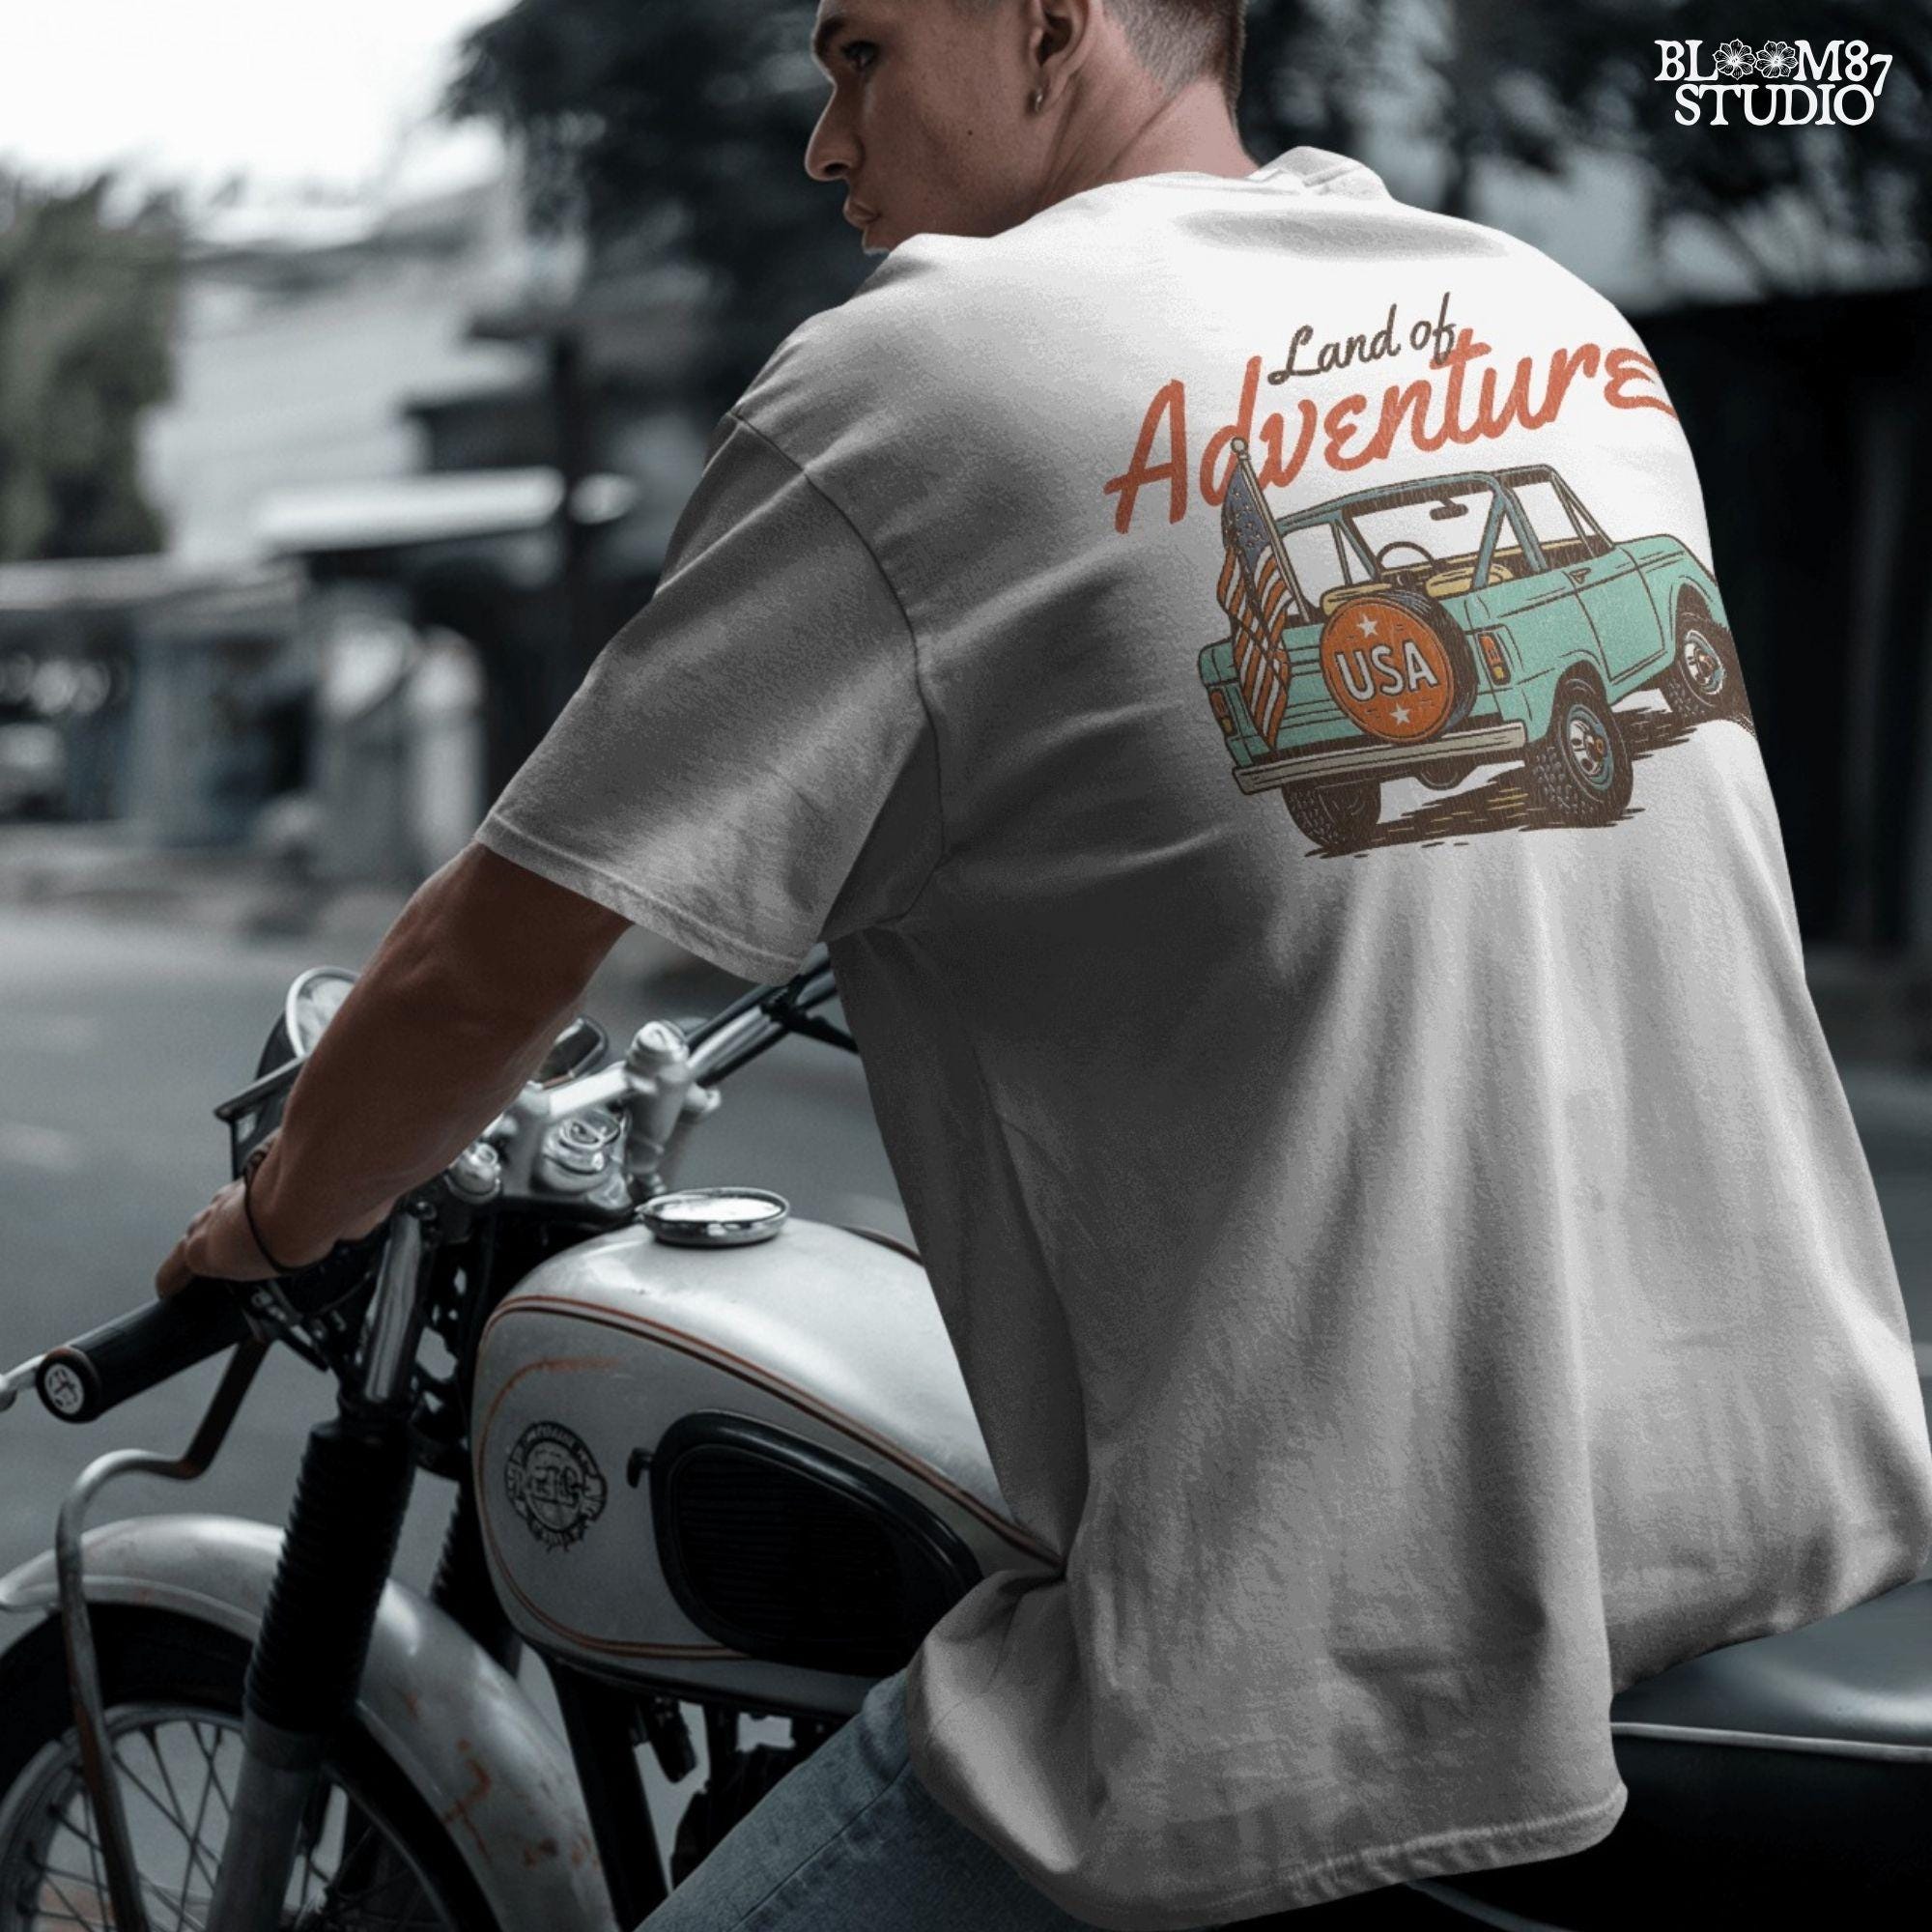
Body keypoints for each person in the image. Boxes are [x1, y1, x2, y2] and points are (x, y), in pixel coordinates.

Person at [158, 1, 1932, 1927]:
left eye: (857, 59)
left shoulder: (917, 381)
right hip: (1774, 1510)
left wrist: (269, 1221)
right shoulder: (1555, 319)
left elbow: (484, 967)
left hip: (1331, 1663)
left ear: (1046, 24)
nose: (828, 150)